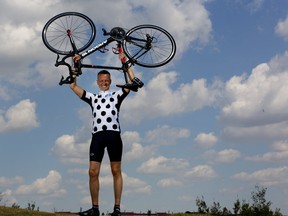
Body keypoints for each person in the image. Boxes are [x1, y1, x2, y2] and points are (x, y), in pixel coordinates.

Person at [70, 52, 143, 216]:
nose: (104, 82)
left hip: (113, 135)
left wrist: (125, 63)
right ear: (97, 82)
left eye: (106, 81)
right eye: (101, 81)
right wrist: (75, 67)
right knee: (92, 172)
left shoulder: (117, 95)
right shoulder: (92, 97)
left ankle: (117, 209)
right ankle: (95, 209)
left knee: (116, 171)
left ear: (110, 82)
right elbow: (73, 86)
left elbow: (132, 82)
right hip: (97, 136)